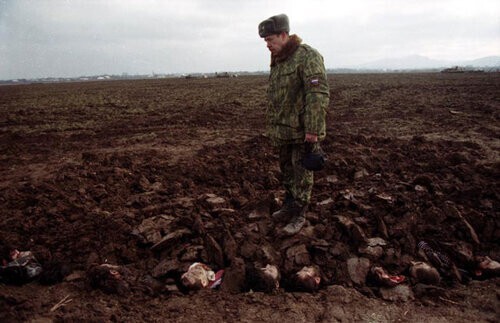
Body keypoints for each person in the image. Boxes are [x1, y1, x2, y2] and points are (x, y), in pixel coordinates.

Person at [258, 14, 330, 235]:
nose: (268, 45)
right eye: (265, 41)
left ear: (283, 35)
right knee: (287, 171)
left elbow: (317, 94)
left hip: (301, 132)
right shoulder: (279, 60)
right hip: (283, 131)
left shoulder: (307, 56)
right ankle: (289, 205)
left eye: (270, 40)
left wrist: (312, 130)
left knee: (302, 173)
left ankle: (300, 212)